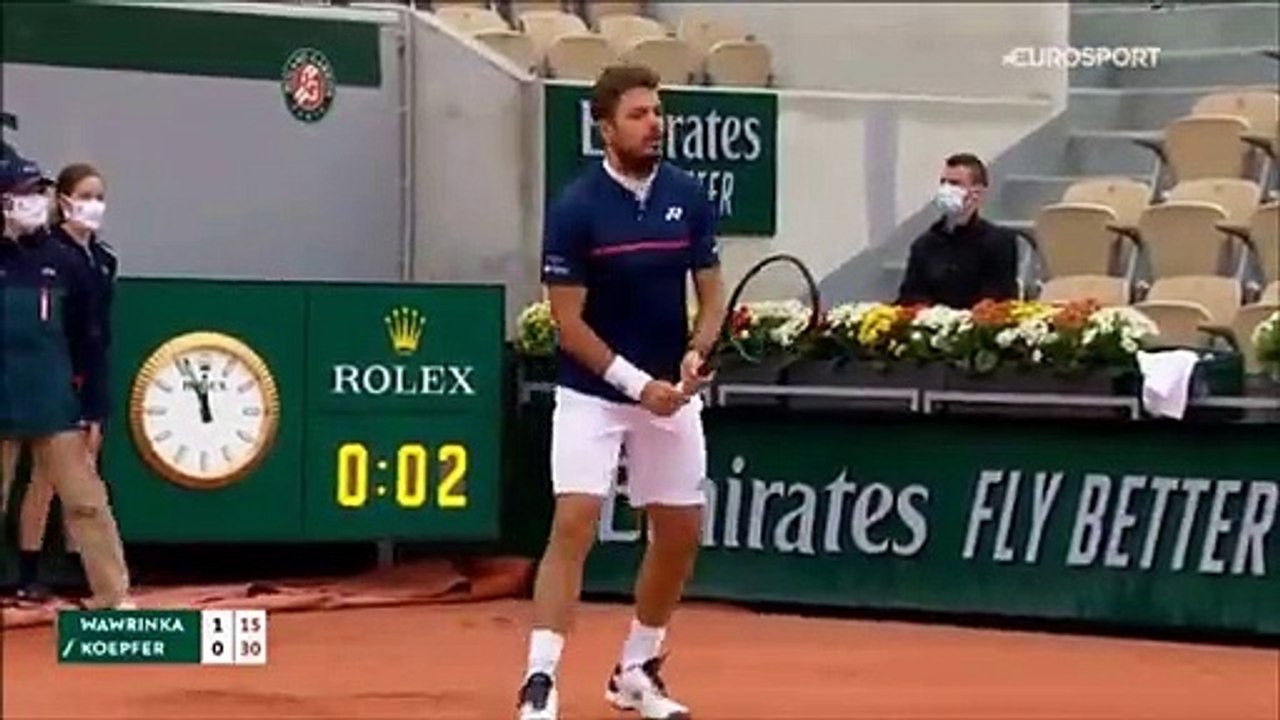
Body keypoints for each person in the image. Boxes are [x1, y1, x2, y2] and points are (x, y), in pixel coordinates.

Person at [517, 64, 725, 720]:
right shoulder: (576, 209)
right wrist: (637, 385)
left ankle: (636, 668)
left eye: (657, 112)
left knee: (680, 531)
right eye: (638, 115)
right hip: (594, 394)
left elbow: (712, 293)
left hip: (672, 392)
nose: (653, 124)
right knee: (574, 522)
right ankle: (541, 679)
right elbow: (567, 322)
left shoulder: (688, 196)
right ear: (605, 129)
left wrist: (696, 353)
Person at [0, 151, 132, 610]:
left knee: (87, 504)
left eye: (40, 191)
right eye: (25, 192)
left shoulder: (64, 262)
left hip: (55, 406)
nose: (37, 200)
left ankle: (113, 598)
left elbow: (89, 341)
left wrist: (94, 407)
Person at [897, 152, 1019, 309]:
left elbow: (1000, 297)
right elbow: (910, 296)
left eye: (955, 184)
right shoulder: (924, 245)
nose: (946, 189)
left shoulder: (999, 242)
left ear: (977, 193)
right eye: (943, 183)